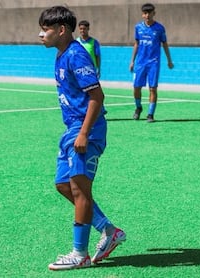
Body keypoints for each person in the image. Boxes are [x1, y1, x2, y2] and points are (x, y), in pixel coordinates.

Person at [38, 6, 126, 271]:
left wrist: (84, 133)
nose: (40, 34)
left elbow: (97, 96)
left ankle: (80, 254)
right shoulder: (60, 55)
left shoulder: (77, 55)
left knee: (79, 188)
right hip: (71, 129)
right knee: (63, 185)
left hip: (86, 128)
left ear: (61, 30)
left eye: (46, 29)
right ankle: (109, 230)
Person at [130, 3, 174, 122]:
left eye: (149, 12)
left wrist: (169, 60)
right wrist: (132, 61)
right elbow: (136, 44)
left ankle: (150, 114)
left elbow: (164, 44)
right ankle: (138, 108)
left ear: (154, 13)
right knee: (136, 88)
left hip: (153, 62)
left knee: (153, 88)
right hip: (140, 62)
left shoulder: (159, 28)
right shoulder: (138, 27)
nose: (147, 15)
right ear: (142, 14)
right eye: (145, 13)